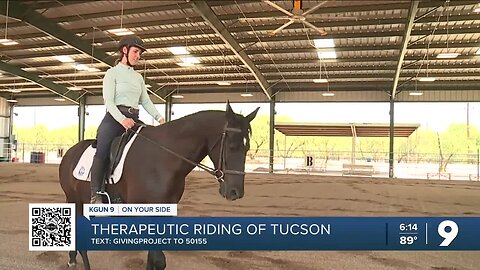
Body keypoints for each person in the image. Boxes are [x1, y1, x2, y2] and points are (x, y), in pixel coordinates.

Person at [90, 35, 165, 204]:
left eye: (139, 53)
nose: (138, 56)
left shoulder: (138, 78)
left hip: (135, 119)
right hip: (114, 118)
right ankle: (96, 194)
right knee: (103, 150)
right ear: (125, 50)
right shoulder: (112, 73)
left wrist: (159, 118)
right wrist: (122, 120)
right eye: (136, 51)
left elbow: (145, 101)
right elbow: (108, 101)